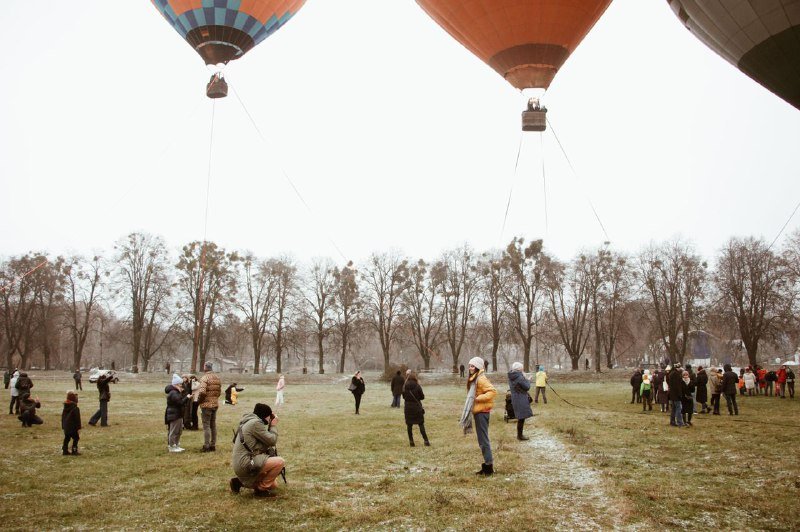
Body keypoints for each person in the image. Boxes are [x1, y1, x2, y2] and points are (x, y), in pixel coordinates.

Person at [230, 403, 285, 498]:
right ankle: (261, 490)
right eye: (269, 416)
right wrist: (273, 426)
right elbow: (272, 440)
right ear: (265, 415)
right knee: (280, 462)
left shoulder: (248, 421)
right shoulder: (255, 423)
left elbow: (258, 445)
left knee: (273, 485)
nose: (270, 418)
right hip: (246, 463)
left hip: (241, 462)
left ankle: (238, 482)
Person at [459, 357, 497, 476]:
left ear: (478, 367)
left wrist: (478, 399)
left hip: (482, 412)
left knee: (483, 440)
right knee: (482, 440)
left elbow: (492, 391)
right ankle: (487, 465)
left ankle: (488, 468)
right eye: (469, 366)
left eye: (472, 366)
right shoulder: (475, 378)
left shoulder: (480, 379)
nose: (470, 368)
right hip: (479, 412)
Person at [198, 360, 221, 452]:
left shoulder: (204, 378)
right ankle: (213, 444)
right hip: (215, 404)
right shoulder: (217, 378)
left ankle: (206, 445)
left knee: (206, 426)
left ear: (205, 367)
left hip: (206, 405)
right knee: (213, 425)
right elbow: (219, 392)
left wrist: (199, 401)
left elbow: (202, 392)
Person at [403, 372, 430, 446]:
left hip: (408, 407)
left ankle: (411, 442)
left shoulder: (405, 386)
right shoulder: (418, 386)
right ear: (415, 378)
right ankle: (426, 441)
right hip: (416, 407)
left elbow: (404, 396)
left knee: (409, 425)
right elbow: (422, 397)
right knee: (421, 424)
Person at [507, 362, 533, 440]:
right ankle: (520, 436)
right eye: (522, 368)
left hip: (515, 398)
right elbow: (527, 387)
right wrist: (528, 380)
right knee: (521, 418)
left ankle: (520, 435)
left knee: (520, 417)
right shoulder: (519, 377)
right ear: (519, 369)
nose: (523, 369)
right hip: (521, 398)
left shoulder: (511, 376)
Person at [165, 374, 188, 453]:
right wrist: (187, 398)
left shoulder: (177, 392)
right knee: (173, 431)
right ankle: (172, 446)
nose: (182, 386)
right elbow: (180, 402)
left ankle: (176, 444)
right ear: (176, 384)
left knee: (179, 431)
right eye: (180, 384)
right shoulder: (173, 393)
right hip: (174, 415)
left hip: (178, 414)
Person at [61, 391, 81, 456]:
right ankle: (74, 450)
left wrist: (63, 426)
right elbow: (77, 419)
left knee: (67, 438)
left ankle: (65, 450)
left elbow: (63, 418)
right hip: (72, 427)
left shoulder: (65, 407)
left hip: (66, 427)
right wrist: (78, 428)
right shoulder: (75, 408)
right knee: (76, 438)